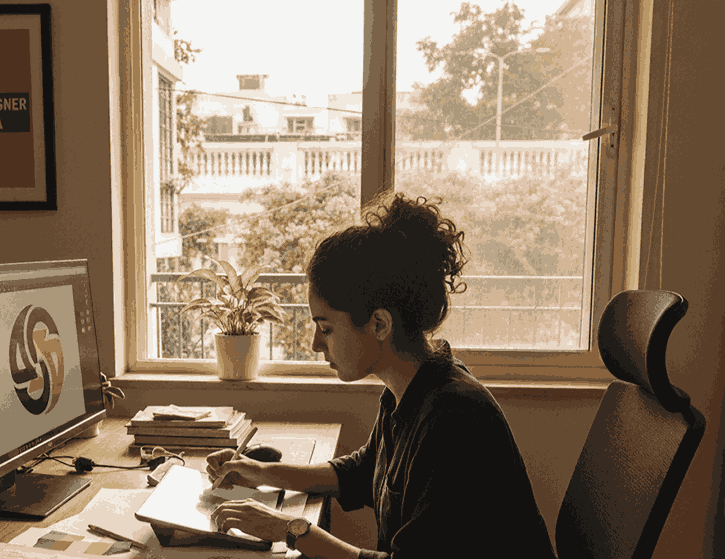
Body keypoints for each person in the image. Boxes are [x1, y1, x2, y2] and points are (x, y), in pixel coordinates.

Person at [207, 193, 556, 558]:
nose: (314, 344)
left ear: (379, 324)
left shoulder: (455, 417)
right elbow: (360, 472)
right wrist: (260, 472)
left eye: (325, 328)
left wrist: (292, 530)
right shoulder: (408, 391)